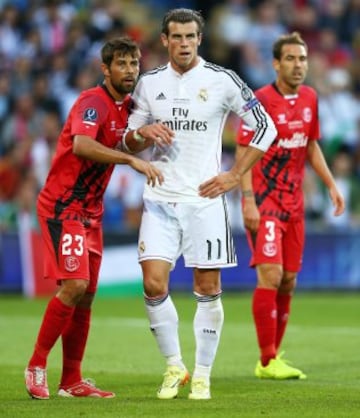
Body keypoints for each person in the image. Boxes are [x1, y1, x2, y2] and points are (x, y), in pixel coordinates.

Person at [122, 8, 277, 400]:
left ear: (200, 39)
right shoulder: (149, 84)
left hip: (205, 200)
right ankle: (175, 366)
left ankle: (204, 373)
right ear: (165, 40)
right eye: (177, 37)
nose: (185, 43)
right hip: (160, 199)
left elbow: (266, 126)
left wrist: (233, 174)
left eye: (191, 37)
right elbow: (126, 138)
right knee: (153, 284)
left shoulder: (222, 80)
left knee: (207, 287)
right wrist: (143, 132)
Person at [24, 36, 163, 400]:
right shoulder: (93, 102)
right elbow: (82, 145)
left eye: (134, 64)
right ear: (106, 69)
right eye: (122, 64)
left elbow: (126, 140)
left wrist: (141, 137)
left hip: (91, 213)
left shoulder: (130, 106)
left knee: (85, 296)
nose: (130, 70)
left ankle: (71, 381)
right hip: (63, 206)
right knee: (73, 286)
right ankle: (36, 365)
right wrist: (131, 159)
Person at [235, 32, 345, 380]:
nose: (299, 65)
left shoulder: (310, 98)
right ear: (276, 63)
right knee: (272, 274)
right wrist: (247, 200)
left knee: (290, 280)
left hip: (294, 205)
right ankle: (266, 360)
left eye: (303, 59)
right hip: (265, 203)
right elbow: (243, 152)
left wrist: (331, 185)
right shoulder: (259, 101)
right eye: (291, 59)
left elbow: (311, 146)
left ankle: (273, 358)